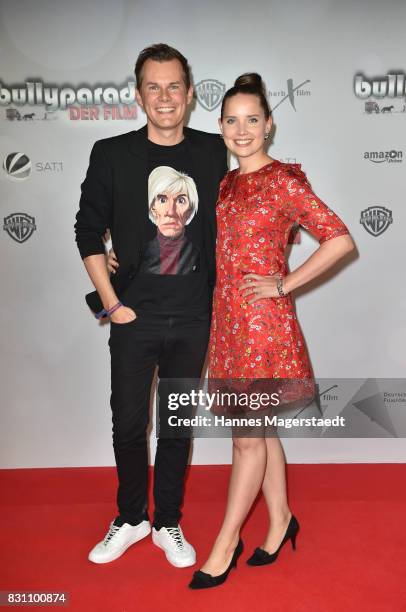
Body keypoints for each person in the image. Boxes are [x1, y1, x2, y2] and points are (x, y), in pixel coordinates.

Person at [187, 73, 355, 589]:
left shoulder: (284, 180)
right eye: (232, 121)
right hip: (227, 325)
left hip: (262, 328)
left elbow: (340, 240)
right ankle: (280, 519)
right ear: (220, 127)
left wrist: (284, 283)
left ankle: (225, 543)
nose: (242, 130)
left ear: (270, 125)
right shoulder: (225, 182)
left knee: (245, 441)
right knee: (261, 431)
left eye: (252, 120)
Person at [74, 43, 227, 568]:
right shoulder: (112, 153)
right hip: (133, 315)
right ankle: (132, 517)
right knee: (127, 422)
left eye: (174, 86)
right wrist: (113, 306)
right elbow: (88, 231)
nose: (165, 97)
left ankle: (166, 523)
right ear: (139, 94)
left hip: (193, 316)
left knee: (176, 424)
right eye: (153, 87)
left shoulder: (212, 151)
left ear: (189, 94)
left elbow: (231, 217)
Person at [139, 165, 200, 275]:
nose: (171, 212)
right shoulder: (138, 251)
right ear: (152, 207)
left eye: (181, 200)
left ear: (189, 211)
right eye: (162, 200)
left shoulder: (199, 255)